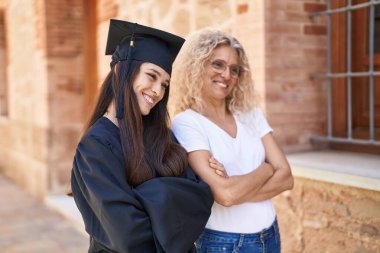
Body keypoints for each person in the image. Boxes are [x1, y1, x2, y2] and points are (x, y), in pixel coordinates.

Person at [70, 19, 214, 253]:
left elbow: (200, 199)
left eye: (165, 84)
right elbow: (126, 235)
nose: (158, 91)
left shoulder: (162, 136)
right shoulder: (95, 146)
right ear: (120, 70)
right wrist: (165, 195)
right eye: (151, 76)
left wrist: (146, 198)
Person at [171, 28, 294, 253]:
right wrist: (266, 169)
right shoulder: (187, 123)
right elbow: (226, 195)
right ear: (197, 66)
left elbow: (286, 178)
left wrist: (236, 189)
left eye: (234, 69)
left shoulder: (250, 113)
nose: (227, 75)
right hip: (224, 244)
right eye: (217, 64)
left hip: (270, 235)